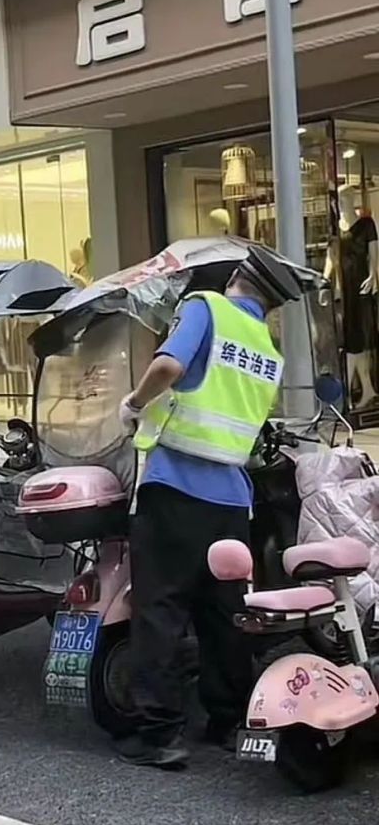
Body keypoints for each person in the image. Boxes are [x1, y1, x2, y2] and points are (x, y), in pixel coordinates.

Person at [118, 248, 300, 769]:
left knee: (160, 611)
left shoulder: (206, 308)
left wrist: (133, 405)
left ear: (237, 277)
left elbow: (170, 365)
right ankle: (227, 721)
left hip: (175, 487)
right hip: (232, 501)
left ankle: (160, 735)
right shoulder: (268, 349)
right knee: (224, 617)